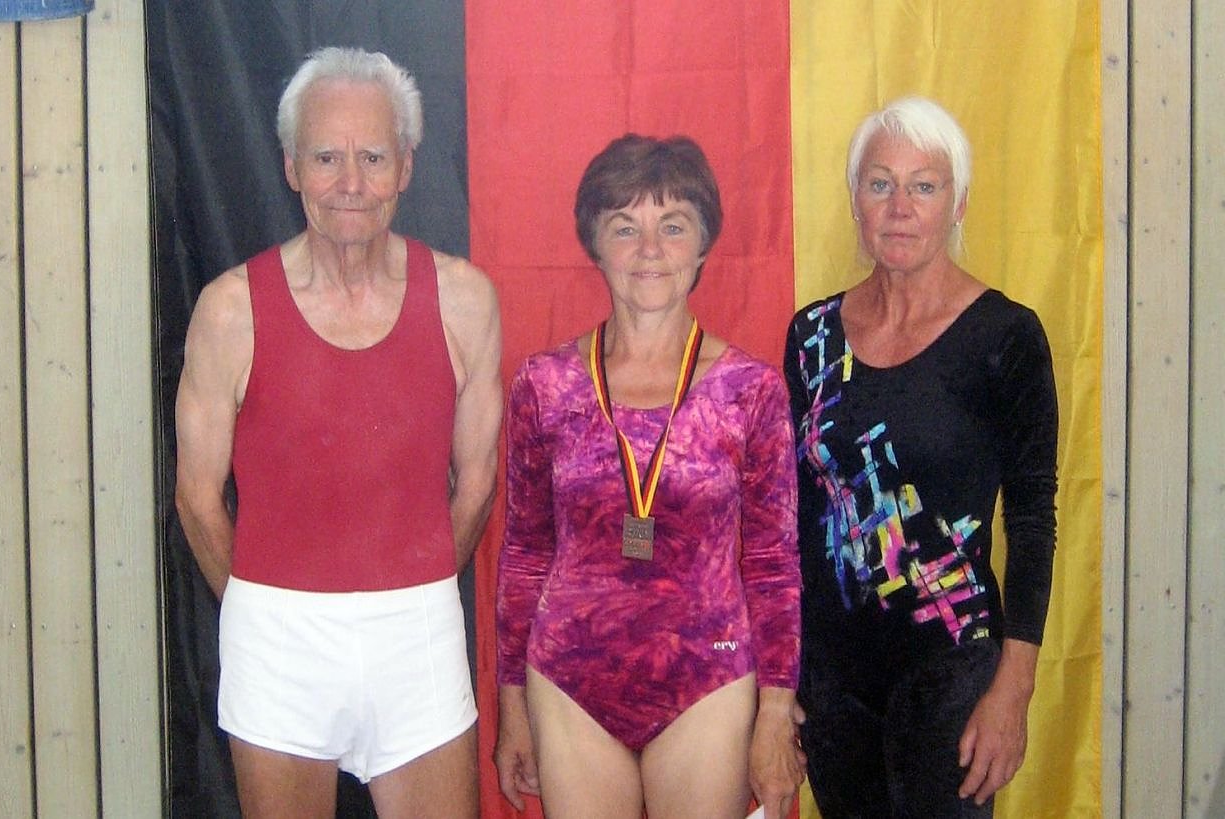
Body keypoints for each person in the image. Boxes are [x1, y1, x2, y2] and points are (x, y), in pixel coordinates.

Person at [173, 47, 501, 819]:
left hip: (416, 634)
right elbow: (196, 497)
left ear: (406, 167)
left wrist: (413, 585)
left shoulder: (464, 300)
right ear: (291, 167)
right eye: (326, 157)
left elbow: (478, 481)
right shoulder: (229, 310)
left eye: (372, 157)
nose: (350, 182)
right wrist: (262, 609)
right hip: (277, 639)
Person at [494, 134, 805, 819]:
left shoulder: (751, 390)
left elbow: (773, 563)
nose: (650, 250)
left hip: (709, 679)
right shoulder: (544, 384)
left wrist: (776, 709)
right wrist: (511, 705)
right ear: (595, 244)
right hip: (570, 679)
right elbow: (523, 553)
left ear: (703, 243)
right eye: (625, 228)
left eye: (673, 226)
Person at [783, 96, 1059, 817]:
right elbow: (793, 516)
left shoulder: (1005, 336)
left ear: (958, 203)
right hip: (832, 685)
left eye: (924, 186)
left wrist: (1014, 689)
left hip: (951, 674)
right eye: (881, 184)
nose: (900, 208)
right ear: (855, 200)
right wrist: (780, 680)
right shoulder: (812, 336)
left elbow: (1032, 521)